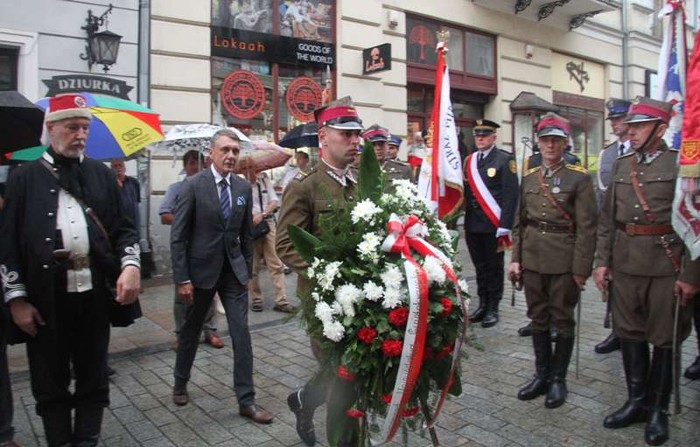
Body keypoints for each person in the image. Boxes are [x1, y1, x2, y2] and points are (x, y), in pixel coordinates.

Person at [0, 93, 141, 446]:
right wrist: (16, 299)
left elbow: (124, 229)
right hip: (45, 301)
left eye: (85, 128)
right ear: (51, 128)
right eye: (72, 127)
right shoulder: (24, 178)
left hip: (92, 296)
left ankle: (87, 441)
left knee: (94, 376)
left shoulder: (101, 174)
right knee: (50, 380)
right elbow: (8, 244)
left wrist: (131, 265)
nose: (80, 134)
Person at [593, 97, 700, 446]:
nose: (631, 131)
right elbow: (607, 221)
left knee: (664, 339)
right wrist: (602, 262)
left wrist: (691, 275)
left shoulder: (682, 167)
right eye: (632, 125)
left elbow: (697, 225)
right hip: (625, 265)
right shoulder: (623, 165)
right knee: (630, 334)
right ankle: (636, 401)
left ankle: (659, 409)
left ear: (661, 128)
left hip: (666, 266)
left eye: (639, 126)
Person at [276, 96, 363, 446]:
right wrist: (326, 272)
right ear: (324, 136)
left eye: (357, 134)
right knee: (344, 376)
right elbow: (285, 245)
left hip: (360, 298)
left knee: (343, 371)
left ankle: (303, 400)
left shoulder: (360, 184)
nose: (356, 141)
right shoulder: (305, 186)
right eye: (347, 134)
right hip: (323, 303)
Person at [170, 128, 272, 424]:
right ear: (211, 154)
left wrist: (246, 272)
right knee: (190, 332)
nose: (230, 156)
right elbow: (178, 237)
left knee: (241, 335)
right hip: (200, 274)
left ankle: (247, 401)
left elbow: (246, 235)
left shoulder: (241, 188)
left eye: (235, 151)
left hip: (233, 274)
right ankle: (180, 381)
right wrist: (183, 279)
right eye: (225, 150)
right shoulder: (192, 186)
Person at [508, 112, 597, 409]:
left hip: (564, 259)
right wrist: (515, 259)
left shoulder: (579, 178)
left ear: (564, 143)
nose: (549, 146)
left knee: (562, 318)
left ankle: (559, 380)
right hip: (532, 258)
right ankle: (541, 375)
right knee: (537, 318)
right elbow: (519, 222)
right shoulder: (529, 177)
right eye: (545, 140)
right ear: (538, 142)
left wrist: (581, 268)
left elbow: (587, 227)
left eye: (555, 141)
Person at [159, 149, 224, 350]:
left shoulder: (212, 188)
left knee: (209, 291)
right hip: (185, 248)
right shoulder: (176, 188)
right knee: (182, 294)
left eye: (199, 163)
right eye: (191, 164)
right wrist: (186, 221)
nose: (195, 167)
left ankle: (209, 330)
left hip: (207, 249)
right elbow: (164, 214)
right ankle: (182, 334)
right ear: (185, 166)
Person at [463, 119, 519, 328]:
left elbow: (511, 195)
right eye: (477, 135)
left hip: (493, 226)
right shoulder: (469, 160)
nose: (480, 139)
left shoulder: (505, 160)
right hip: (473, 225)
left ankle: (493, 307)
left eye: (485, 135)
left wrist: (505, 225)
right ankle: (483, 304)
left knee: (494, 267)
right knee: (480, 267)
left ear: (494, 137)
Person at [592, 98, 632, 355]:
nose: (615, 124)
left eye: (620, 119)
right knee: (611, 281)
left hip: (634, 231)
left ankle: (632, 331)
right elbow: (600, 195)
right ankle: (616, 330)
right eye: (613, 120)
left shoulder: (637, 152)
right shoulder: (606, 153)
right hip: (611, 230)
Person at [241, 158, 294, 313]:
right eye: (245, 167)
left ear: (255, 166)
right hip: (250, 227)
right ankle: (256, 299)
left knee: (275, 263)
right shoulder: (240, 185)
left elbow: (274, 201)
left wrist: (262, 214)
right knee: (252, 266)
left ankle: (281, 300)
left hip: (268, 224)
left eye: (251, 166)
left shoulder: (263, 180)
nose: (249, 170)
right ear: (241, 170)